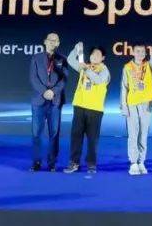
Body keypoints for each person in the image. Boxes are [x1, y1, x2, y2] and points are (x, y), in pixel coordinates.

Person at [120, 31, 152, 174]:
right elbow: (124, 88)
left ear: (146, 53)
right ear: (132, 52)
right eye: (137, 51)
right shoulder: (127, 67)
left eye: (143, 51)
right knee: (133, 134)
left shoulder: (149, 66)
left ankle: (141, 162)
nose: (140, 54)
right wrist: (124, 107)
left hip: (146, 104)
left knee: (143, 134)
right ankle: (133, 162)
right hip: (132, 104)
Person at [65, 43, 111, 173]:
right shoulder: (84, 66)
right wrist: (76, 49)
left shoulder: (104, 70)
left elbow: (98, 80)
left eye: (98, 54)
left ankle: (91, 164)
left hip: (94, 109)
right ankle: (74, 163)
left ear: (103, 58)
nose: (94, 56)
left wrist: (86, 69)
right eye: (92, 54)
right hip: (79, 106)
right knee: (76, 136)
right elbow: (70, 60)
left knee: (92, 139)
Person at [29, 32, 68, 171]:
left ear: (58, 43)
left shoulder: (62, 59)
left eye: (55, 40)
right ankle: (36, 162)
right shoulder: (36, 58)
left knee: (54, 133)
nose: (52, 42)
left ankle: (52, 163)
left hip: (55, 101)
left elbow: (64, 79)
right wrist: (44, 91)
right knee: (36, 133)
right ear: (45, 41)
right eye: (50, 40)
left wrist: (53, 91)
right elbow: (33, 78)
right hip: (39, 100)